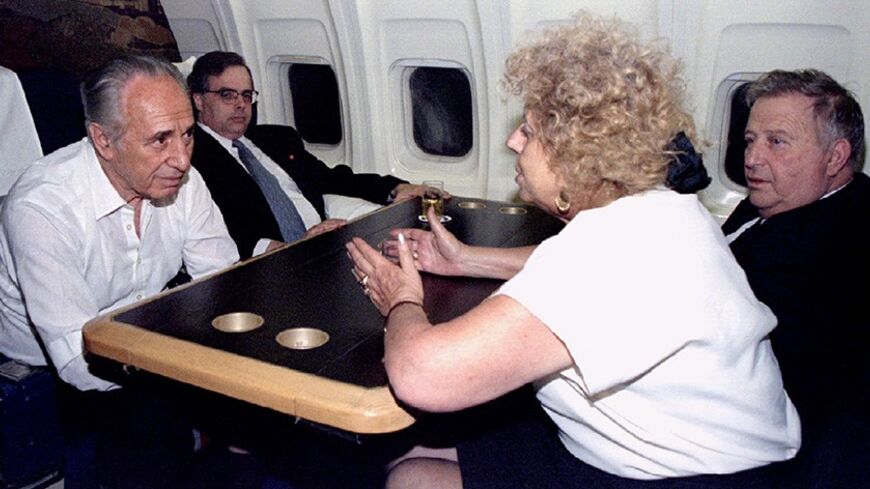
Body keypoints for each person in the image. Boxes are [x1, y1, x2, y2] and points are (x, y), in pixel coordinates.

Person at [346, 13, 800, 488]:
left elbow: (423, 376)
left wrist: (400, 297)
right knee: (405, 446)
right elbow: (564, 268)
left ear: (573, 155)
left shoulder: (606, 256)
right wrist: (465, 259)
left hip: (695, 476)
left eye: (529, 131)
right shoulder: (662, 210)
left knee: (413, 478)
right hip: (680, 447)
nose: (511, 141)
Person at [0, 55, 239, 488]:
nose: (181, 159)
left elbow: (224, 283)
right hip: (54, 358)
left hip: (143, 326)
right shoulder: (42, 206)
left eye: (187, 135)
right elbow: (78, 358)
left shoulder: (182, 181)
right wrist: (190, 370)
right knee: (147, 424)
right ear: (103, 141)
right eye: (160, 140)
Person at [721, 69, 870, 486]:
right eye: (750, 140)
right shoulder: (779, 198)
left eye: (777, 142)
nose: (752, 158)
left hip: (790, 442)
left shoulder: (833, 243)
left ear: (835, 157)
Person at [188, 51, 440, 259]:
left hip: (327, 248)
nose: (240, 104)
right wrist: (293, 247)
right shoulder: (192, 158)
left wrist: (395, 187)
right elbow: (219, 231)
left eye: (246, 95)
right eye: (227, 95)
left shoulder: (276, 139)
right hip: (276, 265)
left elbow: (332, 178)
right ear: (199, 100)